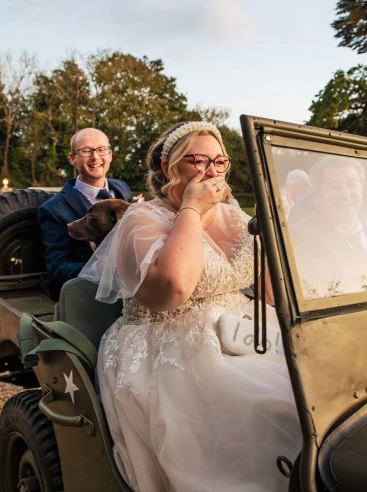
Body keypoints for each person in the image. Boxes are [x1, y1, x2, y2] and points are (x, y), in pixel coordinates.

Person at [80, 121, 301, 491]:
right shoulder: (140, 218)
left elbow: (269, 294)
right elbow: (173, 290)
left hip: (246, 332)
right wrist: (192, 209)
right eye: (198, 161)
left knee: (317, 393)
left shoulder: (234, 215)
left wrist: (278, 228)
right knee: (272, 408)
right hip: (170, 344)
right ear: (168, 167)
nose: (211, 171)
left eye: (219, 161)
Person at [38, 127, 131, 293]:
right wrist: (98, 269)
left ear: (110, 155)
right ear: (72, 158)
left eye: (102, 149)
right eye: (86, 150)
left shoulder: (122, 188)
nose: (95, 156)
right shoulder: (52, 209)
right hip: (91, 296)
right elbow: (57, 268)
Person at [290, 155, 367, 298]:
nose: (346, 193)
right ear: (318, 195)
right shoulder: (302, 237)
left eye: (351, 184)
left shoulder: (364, 220)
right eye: (335, 186)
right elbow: (326, 294)